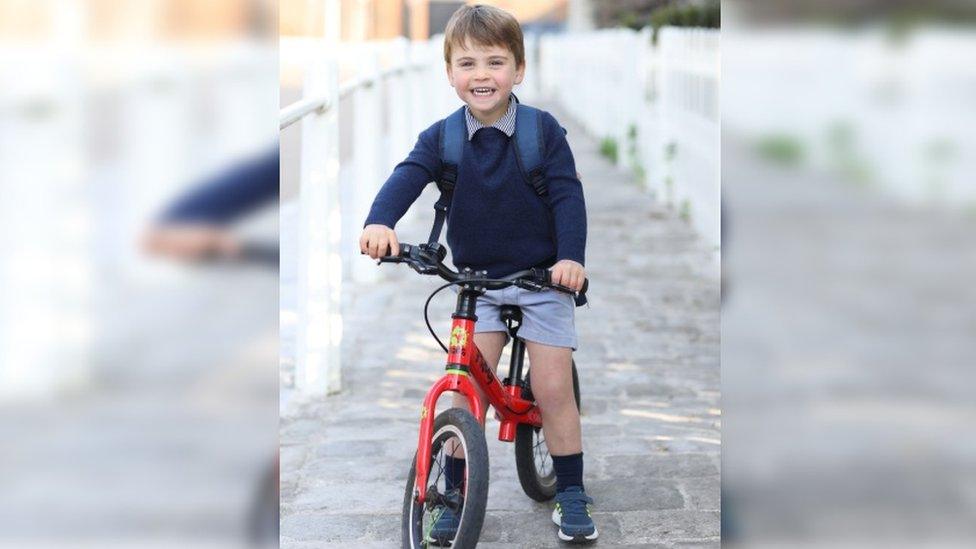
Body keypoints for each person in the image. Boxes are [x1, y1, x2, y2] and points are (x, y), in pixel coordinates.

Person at [359, 5, 596, 544]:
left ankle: (572, 490)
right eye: (467, 63)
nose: (481, 75)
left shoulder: (541, 131)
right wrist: (380, 222)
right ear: (449, 73)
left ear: (519, 69)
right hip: (475, 283)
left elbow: (567, 195)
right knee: (466, 394)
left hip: (542, 279)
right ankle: (451, 493)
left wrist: (570, 258)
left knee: (554, 388)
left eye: (496, 62)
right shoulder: (441, 138)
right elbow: (407, 177)